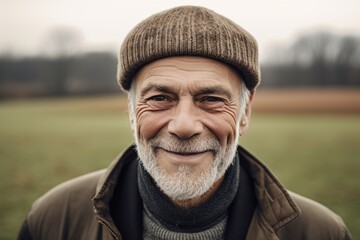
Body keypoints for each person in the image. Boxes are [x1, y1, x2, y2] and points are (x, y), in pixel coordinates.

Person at [18, 5, 351, 240]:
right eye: (160, 98)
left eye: (211, 99)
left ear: (245, 113)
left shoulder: (319, 232)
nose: (184, 125)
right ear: (132, 111)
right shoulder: (54, 220)